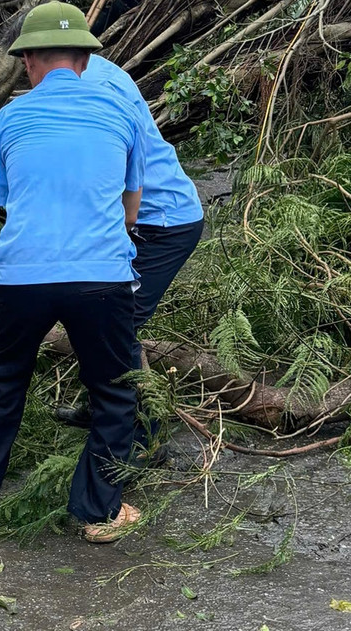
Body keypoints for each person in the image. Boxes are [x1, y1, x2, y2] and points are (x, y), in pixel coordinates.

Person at [0, 2, 146, 544]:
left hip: (22, 276)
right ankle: (96, 511)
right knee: (114, 391)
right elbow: (131, 211)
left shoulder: (7, 120)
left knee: (5, 379)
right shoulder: (123, 113)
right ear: (85, 61)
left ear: (28, 62)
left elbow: (1, 204)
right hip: (101, 277)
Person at [53, 54, 205, 439]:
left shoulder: (94, 88)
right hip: (136, 216)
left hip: (161, 222)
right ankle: (101, 408)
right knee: (94, 314)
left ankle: (146, 433)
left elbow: (115, 178)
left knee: (115, 323)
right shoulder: (89, 70)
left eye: (28, 62)